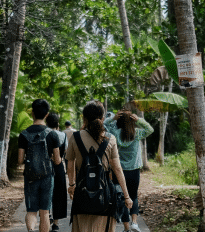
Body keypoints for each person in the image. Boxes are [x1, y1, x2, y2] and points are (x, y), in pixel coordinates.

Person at [66, 101, 133, 232]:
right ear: (102, 118)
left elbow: (70, 165)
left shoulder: (75, 137)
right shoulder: (110, 138)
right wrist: (126, 196)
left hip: (82, 193)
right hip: (106, 195)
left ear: (84, 118)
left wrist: (72, 185)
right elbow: (117, 168)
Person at [104, 110, 154, 232]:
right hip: (134, 170)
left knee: (122, 197)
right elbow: (150, 129)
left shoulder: (114, 133)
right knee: (133, 196)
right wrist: (138, 120)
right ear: (132, 121)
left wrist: (113, 118)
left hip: (119, 171)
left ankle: (126, 227)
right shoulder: (136, 133)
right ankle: (135, 223)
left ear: (119, 121)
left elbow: (104, 125)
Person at [18, 99, 63, 232]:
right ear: (47, 115)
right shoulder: (53, 134)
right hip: (47, 177)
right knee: (44, 212)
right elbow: (58, 160)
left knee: (31, 210)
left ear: (32, 113)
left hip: (30, 177)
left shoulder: (23, 134)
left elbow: (20, 160)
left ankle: (31, 230)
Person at [45, 112, 67, 231]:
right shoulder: (63, 135)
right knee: (59, 194)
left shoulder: (44, 134)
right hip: (58, 168)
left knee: (47, 193)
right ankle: (56, 223)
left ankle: (47, 216)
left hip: (46, 167)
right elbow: (65, 153)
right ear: (57, 123)